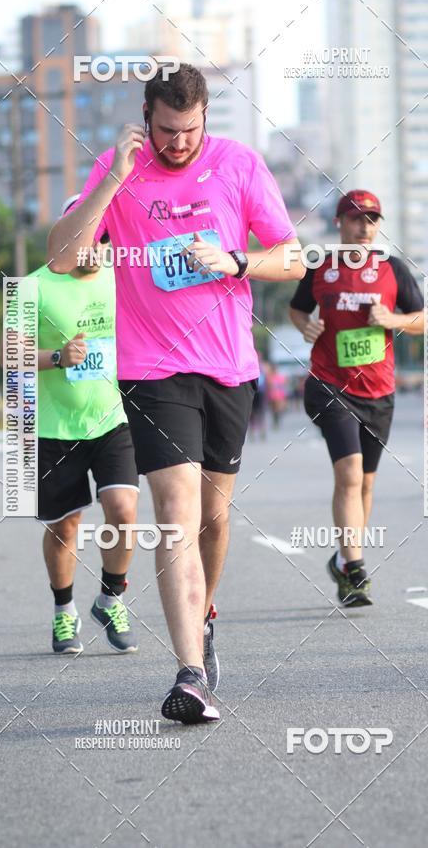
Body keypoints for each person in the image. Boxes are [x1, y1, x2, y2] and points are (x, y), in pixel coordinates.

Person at [47, 63, 304, 723]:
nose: (180, 143)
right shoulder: (117, 167)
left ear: (205, 118)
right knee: (176, 513)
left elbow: (293, 257)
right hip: (150, 371)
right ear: (145, 119)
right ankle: (190, 675)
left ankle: (203, 617)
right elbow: (60, 256)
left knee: (215, 521)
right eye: (167, 130)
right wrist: (112, 179)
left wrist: (236, 261)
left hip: (227, 369)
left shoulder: (239, 164)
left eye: (190, 129)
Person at [289, 190, 426, 606]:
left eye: (372, 220)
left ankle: (345, 559)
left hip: (379, 392)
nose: (364, 228)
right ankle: (356, 568)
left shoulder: (392, 269)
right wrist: (304, 326)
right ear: (339, 223)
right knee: (349, 474)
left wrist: (394, 319)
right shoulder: (320, 267)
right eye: (356, 219)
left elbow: (423, 319)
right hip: (330, 385)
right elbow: (298, 309)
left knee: (366, 483)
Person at [26, 196, 140, 654]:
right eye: (83, 235)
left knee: (124, 511)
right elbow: (8, 358)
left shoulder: (126, 281)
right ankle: (63, 612)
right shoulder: (32, 286)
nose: (94, 245)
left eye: (102, 235)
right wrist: (57, 357)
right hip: (54, 427)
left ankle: (111, 597)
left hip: (114, 419)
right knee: (65, 527)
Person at [266, 363, 288, 429]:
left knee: (278, 410)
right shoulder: (269, 377)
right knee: (273, 410)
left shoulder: (279, 377)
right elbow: (268, 387)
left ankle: (277, 421)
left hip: (279, 396)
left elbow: (283, 386)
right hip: (272, 396)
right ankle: (276, 421)